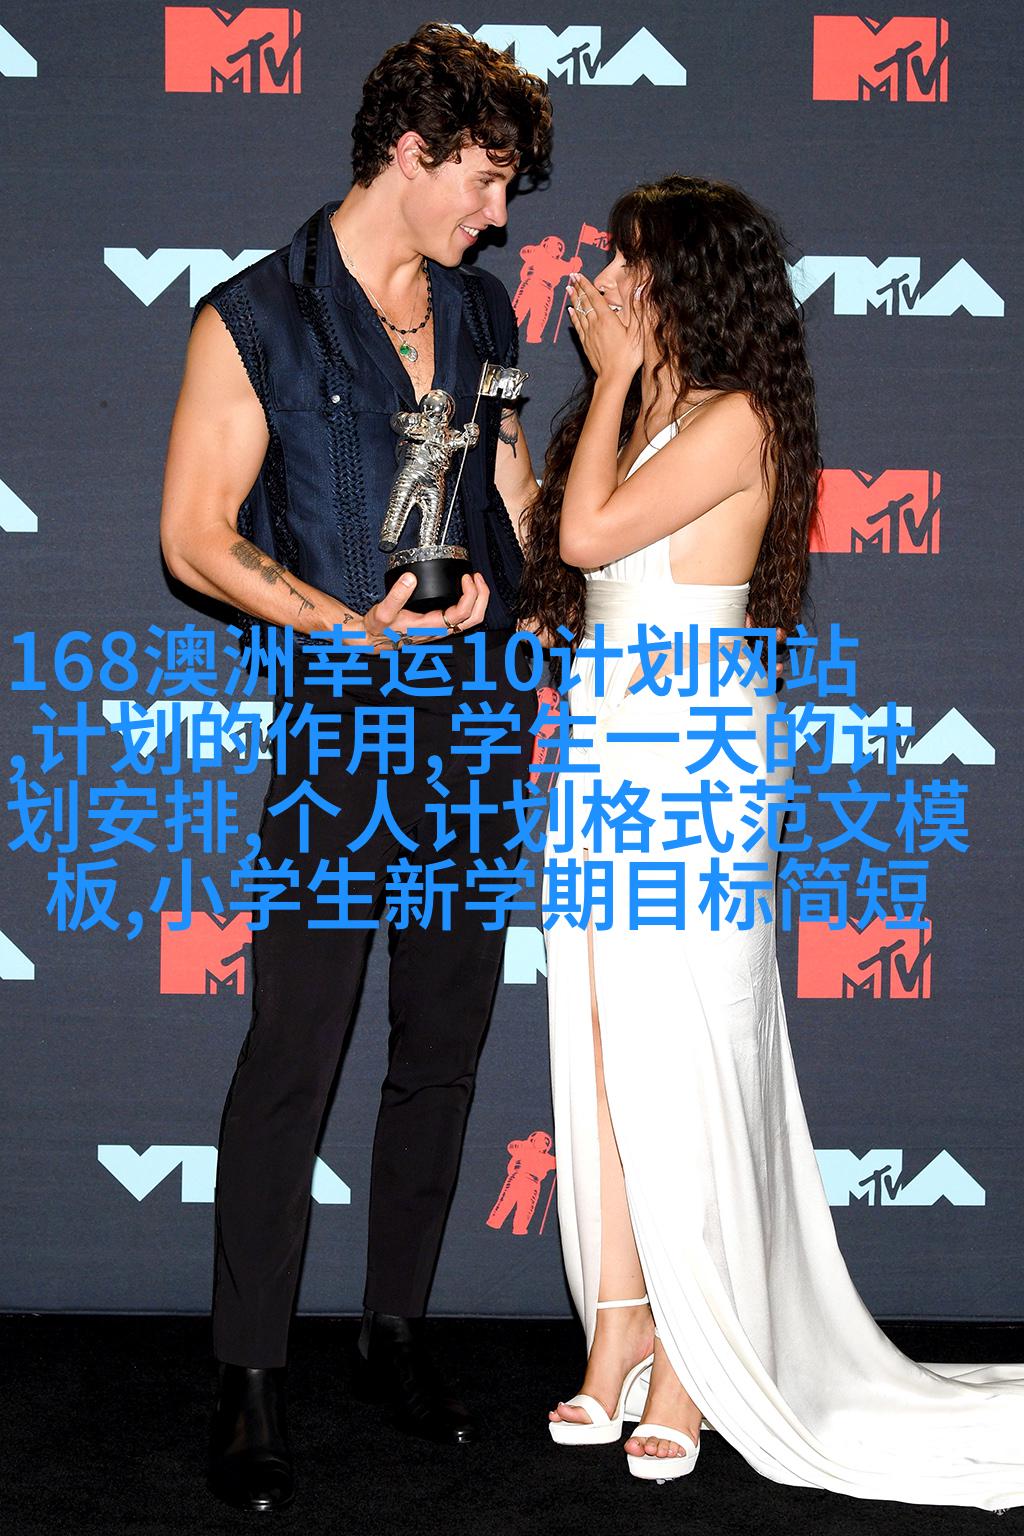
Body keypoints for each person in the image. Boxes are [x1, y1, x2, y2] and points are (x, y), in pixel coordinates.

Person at [518, 174, 1024, 1509]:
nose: (603, 284)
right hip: (607, 742)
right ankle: (621, 1325)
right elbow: (564, 563)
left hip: (693, 748)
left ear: (688, 282)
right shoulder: (645, 411)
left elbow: (592, 531)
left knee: (693, 1049)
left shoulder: (735, 418)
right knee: (607, 1045)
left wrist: (606, 383)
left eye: (630, 264)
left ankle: (698, 1356)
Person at [160, 23, 550, 1513]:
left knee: (442, 1046)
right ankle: (249, 1376)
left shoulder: (483, 310)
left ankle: (396, 1332)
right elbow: (193, 536)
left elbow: (502, 481)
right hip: (343, 724)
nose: (497, 215)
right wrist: (345, 628)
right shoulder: (253, 317)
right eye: (485, 180)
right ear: (411, 150)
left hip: (478, 722)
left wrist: (509, 585)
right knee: (294, 1056)